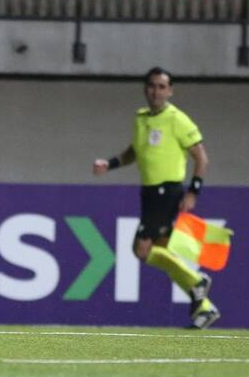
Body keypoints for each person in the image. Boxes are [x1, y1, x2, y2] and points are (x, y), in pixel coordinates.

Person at [93, 66, 219, 329]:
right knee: (160, 249)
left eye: (162, 87)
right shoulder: (141, 118)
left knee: (141, 249)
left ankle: (197, 282)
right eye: (152, 85)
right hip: (149, 192)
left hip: (168, 190)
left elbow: (201, 158)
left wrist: (193, 192)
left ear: (170, 91)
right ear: (145, 89)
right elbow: (134, 152)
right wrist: (110, 163)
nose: (156, 91)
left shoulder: (177, 119)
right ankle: (204, 308)